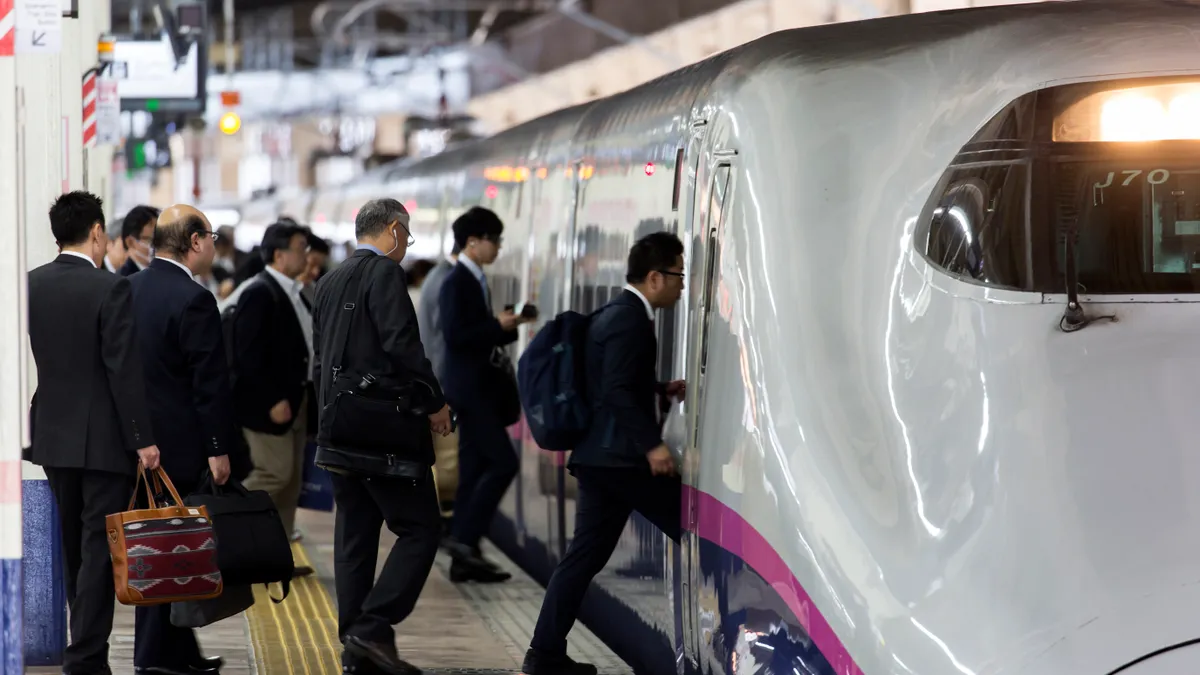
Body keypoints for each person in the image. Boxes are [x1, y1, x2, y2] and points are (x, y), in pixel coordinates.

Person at [522, 232, 687, 675]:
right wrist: (652, 445)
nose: (682, 285)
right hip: (619, 461)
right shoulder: (630, 319)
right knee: (694, 527)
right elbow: (614, 390)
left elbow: (611, 382)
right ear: (655, 277)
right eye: (678, 275)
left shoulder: (620, 313)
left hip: (600, 458)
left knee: (583, 558)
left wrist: (659, 390)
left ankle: (544, 654)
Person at [311, 198, 452, 675]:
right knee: (421, 529)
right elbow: (402, 347)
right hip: (382, 435)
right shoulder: (384, 274)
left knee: (355, 537)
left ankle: (356, 650)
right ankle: (373, 628)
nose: (406, 248)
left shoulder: (329, 280)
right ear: (392, 229)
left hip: (338, 430)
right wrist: (434, 402)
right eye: (406, 237)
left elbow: (320, 360)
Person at [26, 191, 161, 675]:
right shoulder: (110, 289)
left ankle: (82, 649)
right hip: (104, 441)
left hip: (53, 437)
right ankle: (85, 657)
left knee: (75, 550)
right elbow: (122, 370)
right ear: (98, 232)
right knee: (100, 551)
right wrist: (143, 439)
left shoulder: (32, 284)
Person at [126, 204, 236, 675]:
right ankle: (156, 659)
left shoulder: (126, 289)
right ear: (194, 242)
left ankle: (174, 656)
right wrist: (218, 449)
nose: (212, 244)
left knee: (159, 546)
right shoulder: (195, 299)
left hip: (138, 444)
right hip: (181, 446)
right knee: (170, 549)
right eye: (209, 235)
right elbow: (207, 383)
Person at [438, 207, 534, 583]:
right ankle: (462, 539)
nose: (497, 247)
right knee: (503, 463)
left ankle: (465, 559)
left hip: (477, 390)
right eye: (494, 240)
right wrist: (497, 324)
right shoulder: (456, 281)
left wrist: (507, 326)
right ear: (473, 242)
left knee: (474, 468)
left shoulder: (474, 278)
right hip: (470, 392)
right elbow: (456, 336)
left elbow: (475, 333)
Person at [233, 221, 316, 577]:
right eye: (301, 248)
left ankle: (275, 559)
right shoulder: (259, 292)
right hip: (270, 408)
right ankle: (226, 526)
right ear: (279, 255)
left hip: (297, 402)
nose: (307, 255)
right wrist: (270, 400)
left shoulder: (295, 292)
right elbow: (247, 356)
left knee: (291, 484)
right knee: (274, 475)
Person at [117, 205, 159, 276]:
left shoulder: (161, 274)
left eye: (158, 239)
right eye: (151, 240)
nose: (156, 245)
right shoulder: (123, 280)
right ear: (130, 242)